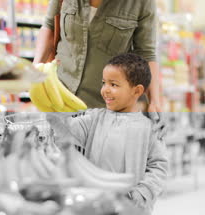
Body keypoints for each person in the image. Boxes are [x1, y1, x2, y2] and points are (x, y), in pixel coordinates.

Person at [47, 53, 168, 214]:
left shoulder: (150, 128)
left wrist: (142, 193)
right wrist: (53, 106)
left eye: (114, 85)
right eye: (104, 83)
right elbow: (66, 132)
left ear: (137, 90)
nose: (105, 90)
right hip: (95, 204)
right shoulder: (93, 119)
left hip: (131, 207)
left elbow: (158, 166)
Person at [34, 0, 163, 119]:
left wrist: (154, 102)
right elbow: (49, 26)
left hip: (105, 109)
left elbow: (146, 53)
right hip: (58, 96)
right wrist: (35, 68)